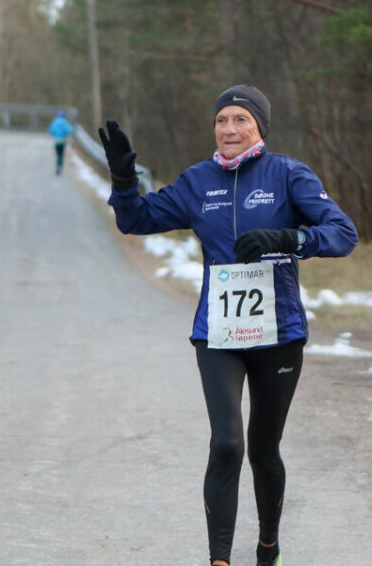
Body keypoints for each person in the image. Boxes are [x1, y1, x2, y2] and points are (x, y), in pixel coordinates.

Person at [99, 84, 358, 566]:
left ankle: (268, 546)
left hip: (279, 332)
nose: (229, 129)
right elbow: (135, 220)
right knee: (226, 444)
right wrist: (123, 178)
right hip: (219, 333)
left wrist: (287, 239)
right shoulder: (199, 182)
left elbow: (343, 234)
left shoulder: (288, 175)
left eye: (241, 119)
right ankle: (219, 560)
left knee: (263, 451)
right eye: (221, 120)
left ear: (259, 127)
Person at [48, 110, 73, 175]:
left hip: (57, 141)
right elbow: (70, 130)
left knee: (58, 155)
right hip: (63, 141)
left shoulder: (55, 122)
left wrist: (55, 135)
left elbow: (51, 130)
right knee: (61, 155)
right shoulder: (64, 122)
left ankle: (57, 166)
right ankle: (60, 166)